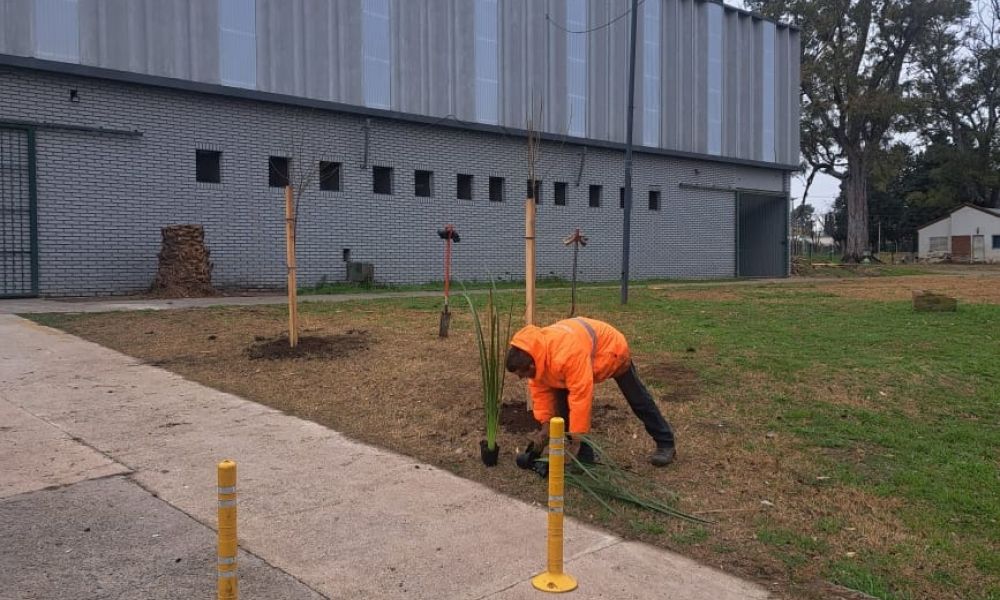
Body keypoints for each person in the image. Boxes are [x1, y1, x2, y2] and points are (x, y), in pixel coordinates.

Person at [506, 317, 676, 467]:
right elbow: (541, 395)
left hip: (611, 350)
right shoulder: (535, 355)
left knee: (638, 400)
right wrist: (545, 426)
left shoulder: (566, 355)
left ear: (532, 365)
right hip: (578, 354)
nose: (521, 378)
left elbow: (581, 397)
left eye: (522, 374)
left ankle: (666, 444)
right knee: (562, 408)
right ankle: (585, 457)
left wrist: (578, 437)